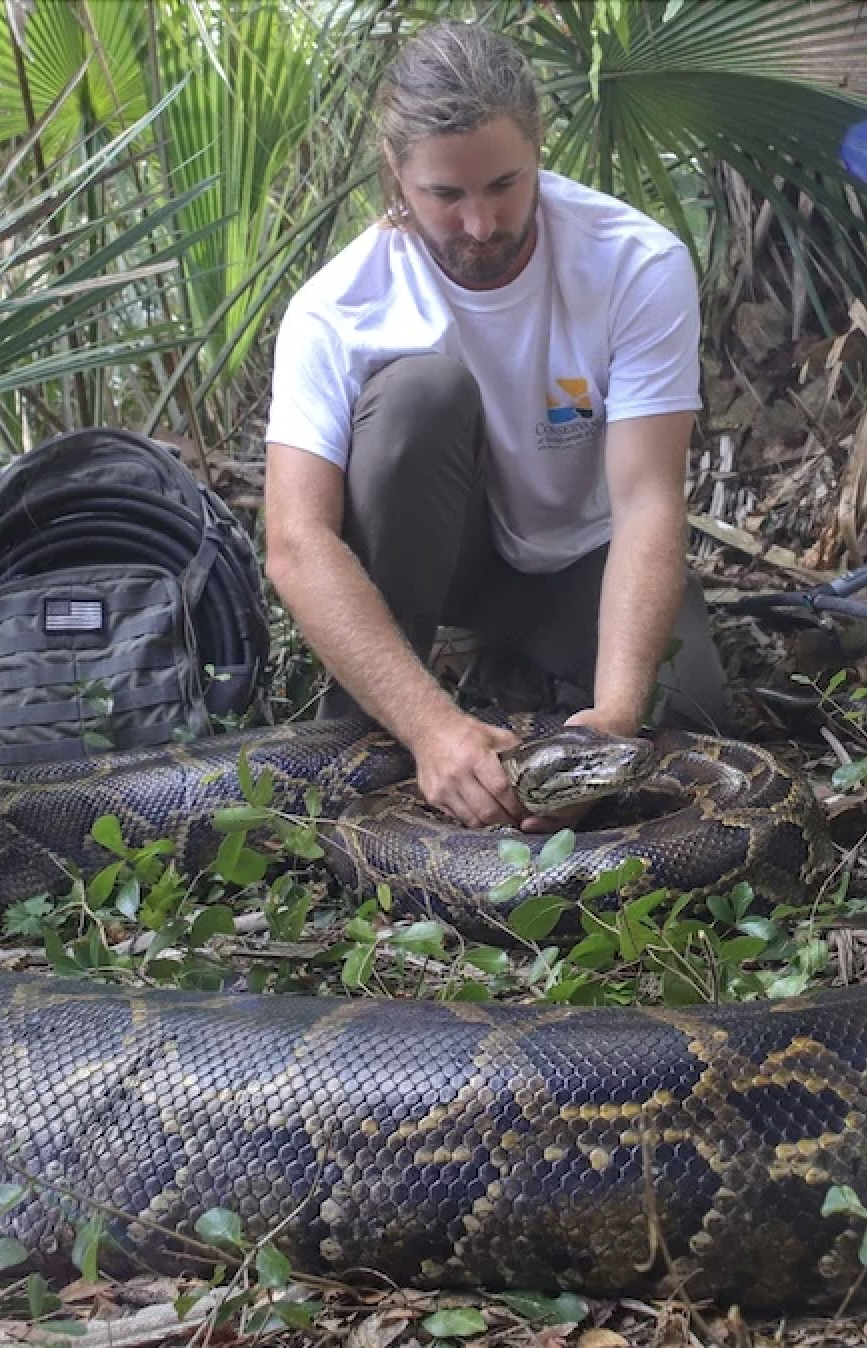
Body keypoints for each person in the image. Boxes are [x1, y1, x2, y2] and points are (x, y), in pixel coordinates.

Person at [262, 20, 728, 831]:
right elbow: (297, 543)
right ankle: (367, 729)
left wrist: (613, 722)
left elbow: (649, 504)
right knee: (418, 399)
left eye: (504, 185)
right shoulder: (335, 309)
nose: (480, 225)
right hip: (442, 567)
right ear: (396, 175)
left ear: (539, 146)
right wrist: (429, 728)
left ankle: (521, 670)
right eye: (446, 195)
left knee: (691, 716)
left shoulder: (636, 264)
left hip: (579, 557)